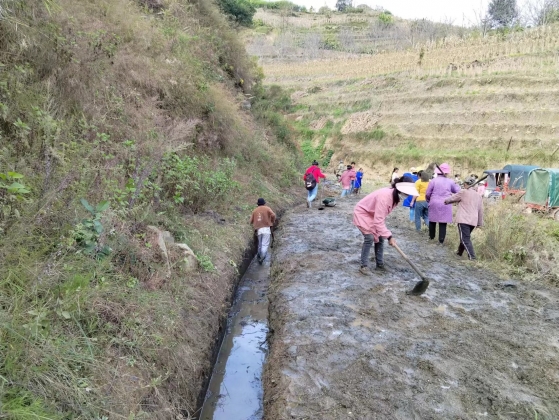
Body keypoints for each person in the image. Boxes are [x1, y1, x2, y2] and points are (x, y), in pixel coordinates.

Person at [353, 177, 419, 275]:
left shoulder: (395, 196)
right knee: (369, 237)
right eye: (407, 192)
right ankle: (364, 266)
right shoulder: (386, 197)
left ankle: (379, 265)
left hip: (372, 215)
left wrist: (385, 234)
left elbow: (380, 217)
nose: (408, 195)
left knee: (380, 237)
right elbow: (378, 220)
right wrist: (390, 237)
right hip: (363, 213)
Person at [445, 176, 484, 260]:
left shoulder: (463, 192)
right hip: (473, 221)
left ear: (466, 184)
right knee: (465, 237)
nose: (463, 185)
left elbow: (452, 198)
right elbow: (480, 210)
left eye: (464, 184)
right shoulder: (479, 196)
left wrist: (446, 201)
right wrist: (479, 223)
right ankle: (459, 252)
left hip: (463, 219)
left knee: (464, 239)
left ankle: (472, 257)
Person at [425, 163, 460, 245]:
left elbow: (427, 193)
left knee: (432, 221)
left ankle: (431, 237)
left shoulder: (433, 181)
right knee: (443, 222)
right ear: (447, 172)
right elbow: (458, 191)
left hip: (434, 202)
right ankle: (441, 240)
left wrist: (429, 200)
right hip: (446, 203)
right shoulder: (450, 181)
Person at [249, 198, 276, 264]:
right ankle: (262, 257)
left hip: (259, 230)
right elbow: (273, 215)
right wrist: (272, 221)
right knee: (265, 244)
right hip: (266, 229)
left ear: (258, 204)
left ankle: (259, 255)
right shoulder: (267, 208)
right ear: (264, 203)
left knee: (260, 244)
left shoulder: (255, 210)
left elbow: (251, 221)